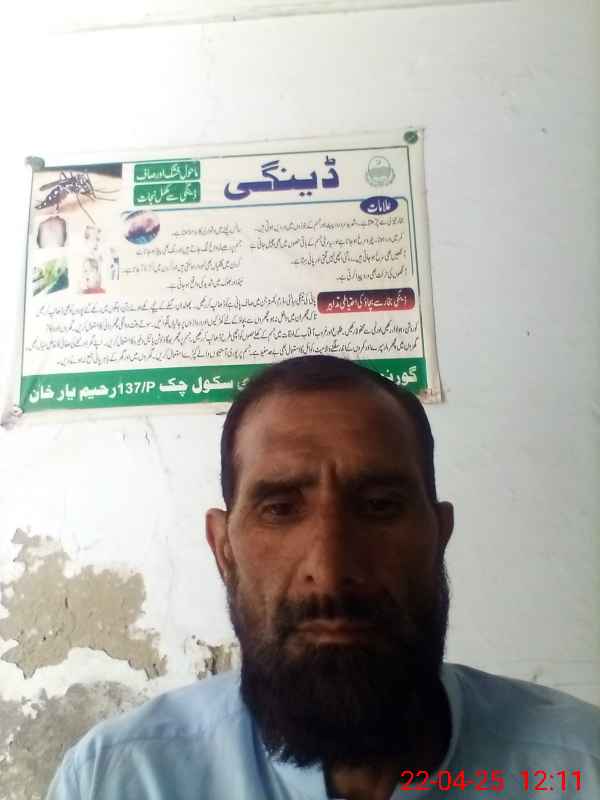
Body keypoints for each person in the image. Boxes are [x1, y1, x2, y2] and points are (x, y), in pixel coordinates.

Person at [46, 356, 600, 800]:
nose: (332, 571)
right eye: (280, 509)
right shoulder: (117, 779)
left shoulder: (582, 767)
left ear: (439, 534)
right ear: (224, 549)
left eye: (380, 506)